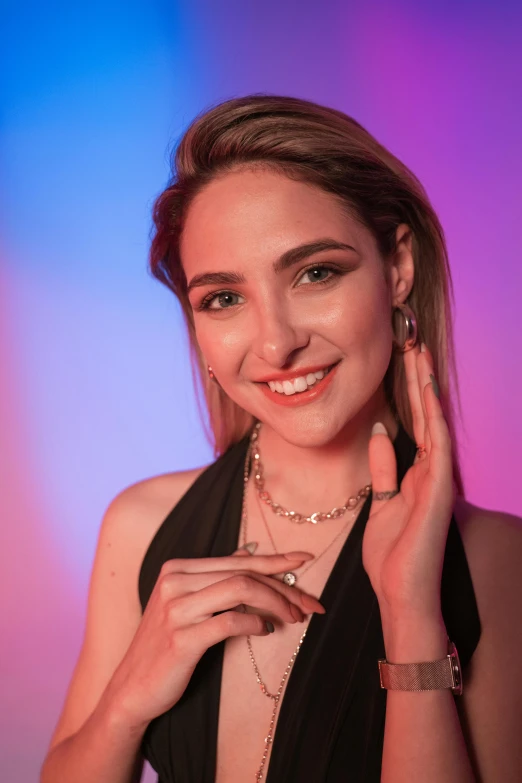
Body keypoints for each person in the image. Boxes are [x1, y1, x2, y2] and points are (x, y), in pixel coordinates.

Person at [40, 95, 522, 783]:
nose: (276, 341)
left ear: (398, 269)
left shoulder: (497, 562)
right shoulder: (141, 527)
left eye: (315, 272)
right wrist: (127, 699)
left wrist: (413, 616)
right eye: (223, 298)